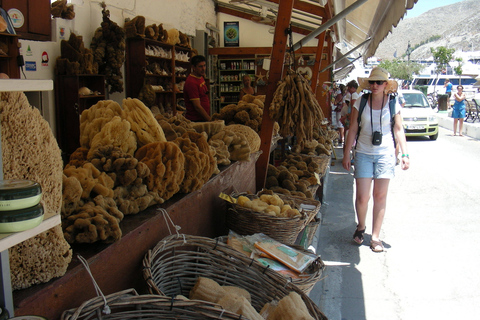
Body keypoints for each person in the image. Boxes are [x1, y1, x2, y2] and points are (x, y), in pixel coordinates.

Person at [342, 67, 410, 252]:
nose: (375, 85)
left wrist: (404, 154)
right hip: (363, 153)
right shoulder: (361, 102)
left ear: (386, 85)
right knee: (362, 196)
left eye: (379, 82)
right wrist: (346, 153)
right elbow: (353, 129)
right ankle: (361, 227)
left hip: (385, 154)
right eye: (372, 82)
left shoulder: (393, 103)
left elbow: (398, 129)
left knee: (380, 196)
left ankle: (376, 237)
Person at [183, 55, 211, 122]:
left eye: (204, 65)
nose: (203, 68)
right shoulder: (191, 83)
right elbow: (197, 107)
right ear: (193, 67)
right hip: (196, 120)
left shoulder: (200, 76)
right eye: (200, 66)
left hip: (203, 118)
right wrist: (210, 120)